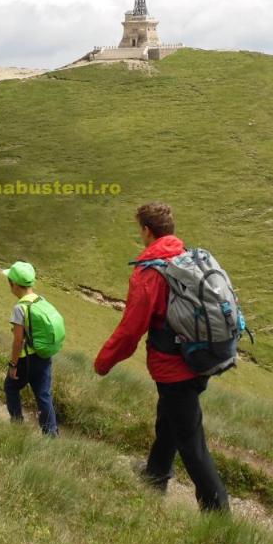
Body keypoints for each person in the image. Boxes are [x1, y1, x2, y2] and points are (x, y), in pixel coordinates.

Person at [93, 202, 229, 512]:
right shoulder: (187, 258)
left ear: (146, 231)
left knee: (191, 442)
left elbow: (130, 330)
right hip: (201, 358)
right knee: (168, 419)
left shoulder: (150, 273)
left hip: (174, 368)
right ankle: (155, 475)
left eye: (139, 228)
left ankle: (218, 513)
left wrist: (103, 363)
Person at [2, 261, 59, 436]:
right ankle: (51, 434)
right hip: (44, 355)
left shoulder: (20, 308)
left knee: (10, 387)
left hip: (27, 359)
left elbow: (18, 341)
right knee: (43, 395)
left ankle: (17, 426)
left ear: (15, 285)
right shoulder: (41, 300)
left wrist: (13, 364)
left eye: (9, 282)